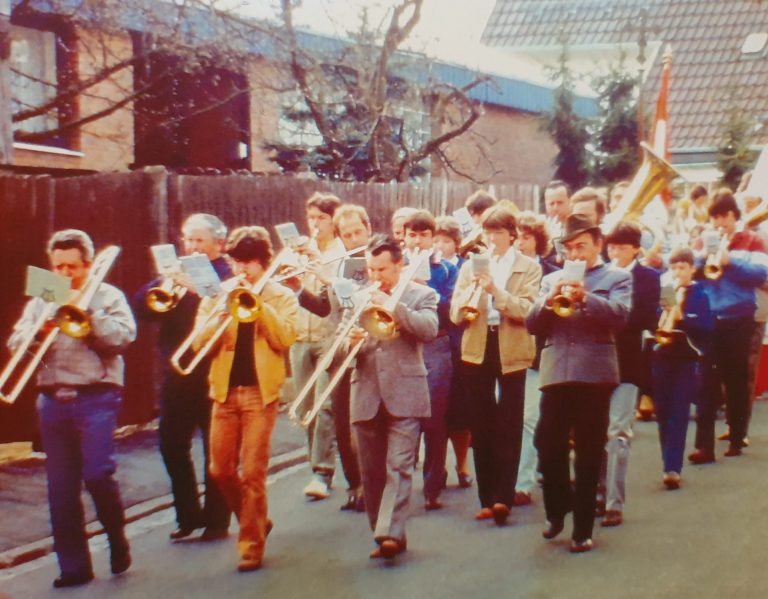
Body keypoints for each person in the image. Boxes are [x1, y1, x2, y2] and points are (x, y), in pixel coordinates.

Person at [8, 230, 136, 588]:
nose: (64, 274)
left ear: (88, 265)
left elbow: (123, 339)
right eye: (58, 267)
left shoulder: (109, 295)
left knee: (97, 474)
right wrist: (39, 328)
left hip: (97, 396)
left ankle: (116, 536)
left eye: (72, 267)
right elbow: (16, 342)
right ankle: (75, 568)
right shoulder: (45, 294)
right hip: (52, 400)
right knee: (60, 488)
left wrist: (87, 311)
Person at [526, 213, 632, 553]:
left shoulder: (617, 276)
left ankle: (583, 529)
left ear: (598, 245)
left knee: (588, 451)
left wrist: (586, 298)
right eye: (569, 248)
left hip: (595, 374)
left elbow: (620, 317)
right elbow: (532, 324)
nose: (575, 254)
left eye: (581, 246)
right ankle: (557, 508)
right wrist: (550, 299)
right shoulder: (551, 279)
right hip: (557, 371)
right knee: (547, 443)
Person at [196, 226, 298, 572]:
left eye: (249, 263)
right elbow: (199, 343)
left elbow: (285, 338)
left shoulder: (281, 296)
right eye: (237, 262)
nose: (242, 270)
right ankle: (255, 520)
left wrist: (259, 306)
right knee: (220, 470)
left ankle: (251, 546)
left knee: (253, 471)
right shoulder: (218, 294)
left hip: (260, 393)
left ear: (263, 263)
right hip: (224, 392)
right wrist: (221, 316)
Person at [133, 213, 232, 542]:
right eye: (188, 239)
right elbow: (142, 307)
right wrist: (163, 283)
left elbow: (221, 298)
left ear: (219, 244)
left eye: (199, 240)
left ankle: (216, 519)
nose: (191, 246)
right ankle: (187, 514)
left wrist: (189, 283)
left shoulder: (226, 271)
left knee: (215, 449)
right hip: (177, 372)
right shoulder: (176, 271)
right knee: (171, 443)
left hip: (214, 369)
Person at [347, 235, 438, 560]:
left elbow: (429, 329)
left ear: (399, 265)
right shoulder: (358, 298)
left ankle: (389, 531)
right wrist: (351, 342)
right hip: (367, 392)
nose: (376, 276)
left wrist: (393, 304)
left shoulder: (422, 294)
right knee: (371, 473)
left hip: (406, 391)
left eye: (382, 269)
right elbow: (338, 349)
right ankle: (385, 531)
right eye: (371, 269)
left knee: (399, 465)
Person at [450, 204, 540, 526]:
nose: (491, 239)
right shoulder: (470, 267)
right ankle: (487, 498)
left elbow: (528, 310)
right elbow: (455, 313)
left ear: (512, 235)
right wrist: (471, 296)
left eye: (498, 233)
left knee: (511, 422)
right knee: (482, 422)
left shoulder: (529, 267)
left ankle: (504, 496)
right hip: (478, 346)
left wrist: (495, 292)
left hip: (512, 346)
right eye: (487, 233)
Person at [696, 190, 768, 458]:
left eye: (724, 217)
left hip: (739, 317)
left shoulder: (752, 240)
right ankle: (704, 447)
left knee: (736, 380)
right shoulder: (706, 239)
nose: (719, 223)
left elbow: (760, 273)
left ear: (734, 216)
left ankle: (737, 438)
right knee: (706, 382)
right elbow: (694, 273)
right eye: (715, 218)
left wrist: (730, 261)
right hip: (711, 316)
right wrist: (703, 256)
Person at [599, 222, 661, 528]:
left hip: (628, 362)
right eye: (611, 247)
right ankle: (598, 493)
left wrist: (608, 312)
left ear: (636, 249)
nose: (615, 253)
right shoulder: (599, 273)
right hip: (596, 361)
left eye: (622, 248)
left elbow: (646, 317)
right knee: (595, 432)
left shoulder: (648, 277)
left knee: (619, 432)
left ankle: (614, 502)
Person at [289, 193, 346, 501]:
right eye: (311, 217)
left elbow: (336, 291)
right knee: (305, 408)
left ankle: (321, 472)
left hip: (328, 336)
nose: (315, 223)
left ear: (333, 221)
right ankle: (317, 464)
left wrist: (316, 259)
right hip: (300, 335)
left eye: (321, 218)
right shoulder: (299, 252)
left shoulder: (341, 252)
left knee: (325, 406)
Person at [402, 210, 458, 510]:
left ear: (433, 238)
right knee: (403, 417)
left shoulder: (446, 269)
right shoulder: (396, 265)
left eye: (424, 235)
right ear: (404, 237)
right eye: (412, 235)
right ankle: (399, 484)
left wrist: (424, 287)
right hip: (404, 344)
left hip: (437, 344)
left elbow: (450, 308)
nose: (418, 241)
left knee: (435, 416)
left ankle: (433, 486)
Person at [652, 248, 713, 489]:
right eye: (674, 268)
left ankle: (672, 468)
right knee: (663, 413)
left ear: (692, 269)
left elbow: (706, 326)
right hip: (663, 357)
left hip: (686, 360)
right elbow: (656, 322)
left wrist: (682, 317)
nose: (678, 272)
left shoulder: (700, 294)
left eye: (682, 268)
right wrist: (665, 312)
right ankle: (667, 461)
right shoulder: (667, 291)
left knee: (679, 413)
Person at [512, 212, 557, 506]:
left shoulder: (553, 272)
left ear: (538, 241)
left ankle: (525, 482)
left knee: (533, 418)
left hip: (542, 355)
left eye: (526, 237)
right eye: (516, 237)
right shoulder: (507, 272)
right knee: (519, 419)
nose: (520, 243)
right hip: (512, 353)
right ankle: (519, 478)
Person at [434, 216, 473, 488]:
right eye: (435, 240)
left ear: (456, 244)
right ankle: (438, 468)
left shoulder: (462, 268)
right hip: (433, 344)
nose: (439, 246)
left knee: (460, 411)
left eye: (446, 241)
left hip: (459, 345)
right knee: (437, 414)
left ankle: (462, 463)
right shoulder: (427, 269)